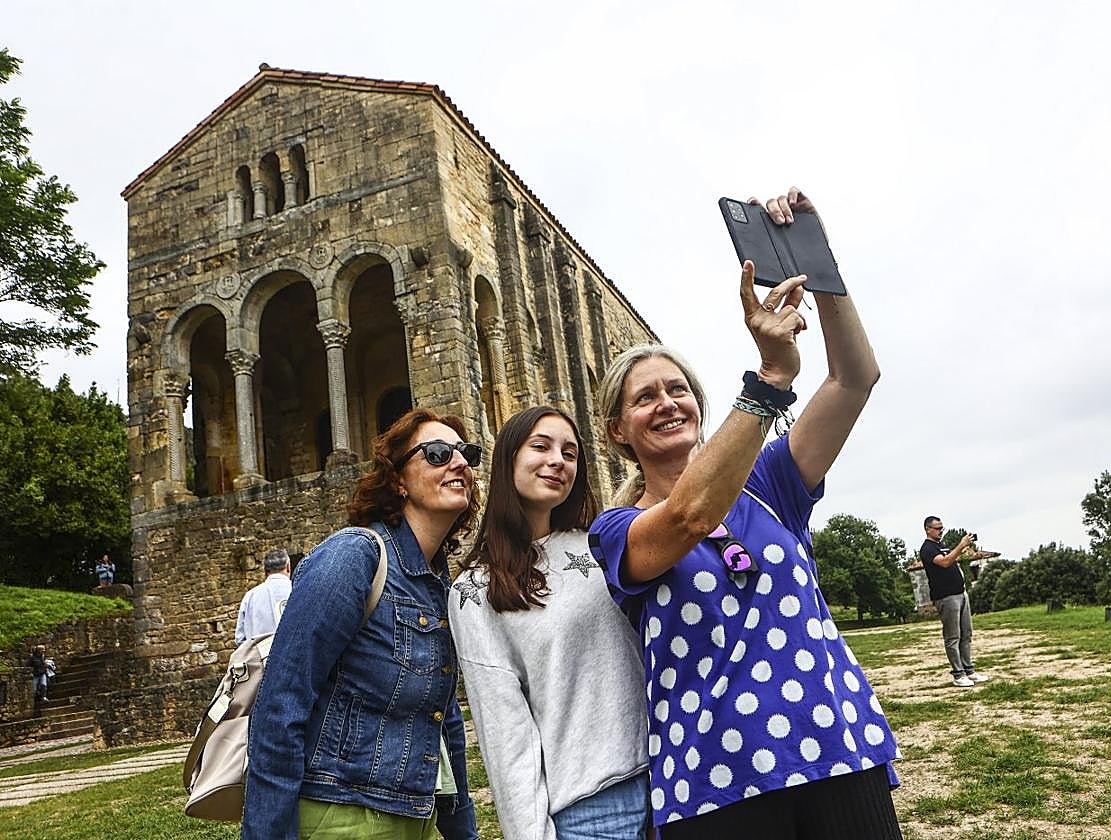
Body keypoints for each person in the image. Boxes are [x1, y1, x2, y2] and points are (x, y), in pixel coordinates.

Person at [588, 187, 903, 838]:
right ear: (618, 430)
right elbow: (689, 517)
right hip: (717, 784)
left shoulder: (769, 481)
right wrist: (769, 380)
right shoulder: (616, 531)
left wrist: (817, 266)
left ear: (700, 405)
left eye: (678, 389)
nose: (667, 402)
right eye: (645, 397)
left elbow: (854, 380)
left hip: (835, 750)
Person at [243, 408, 481, 840]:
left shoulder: (437, 583)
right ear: (398, 479)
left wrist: (463, 831)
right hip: (341, 815)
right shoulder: (353, 556)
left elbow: (444, 720)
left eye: (467, 453)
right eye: (438, 453)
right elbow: (280, 705)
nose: (460, 462)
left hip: (416, 815)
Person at [451, 406, 649, 840]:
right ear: (508, 459)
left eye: (570, 453)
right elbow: (506, 734)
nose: (558, 460)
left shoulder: (604, 543)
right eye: (540, 447)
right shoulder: (476, 590)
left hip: (671, 782)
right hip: (589, 812)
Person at [919, 516, 990, 688]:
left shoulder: (941, 545)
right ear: (928, 529)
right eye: (937, 528)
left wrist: (964, 548)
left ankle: (969, 670)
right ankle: (958, 674)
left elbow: (952, 558)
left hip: (960, 593)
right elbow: (945, 562)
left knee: (966, 633)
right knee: (953, 636)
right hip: (946, 597)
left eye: (942, 528)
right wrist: (961, 545)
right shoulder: (927, 549)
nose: (941, 531)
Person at [234, 547, 293, 645]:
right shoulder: (300, 590)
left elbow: (240, 639)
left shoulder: (250, 597)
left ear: (265, 571)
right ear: (288, 567)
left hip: (261, 653)